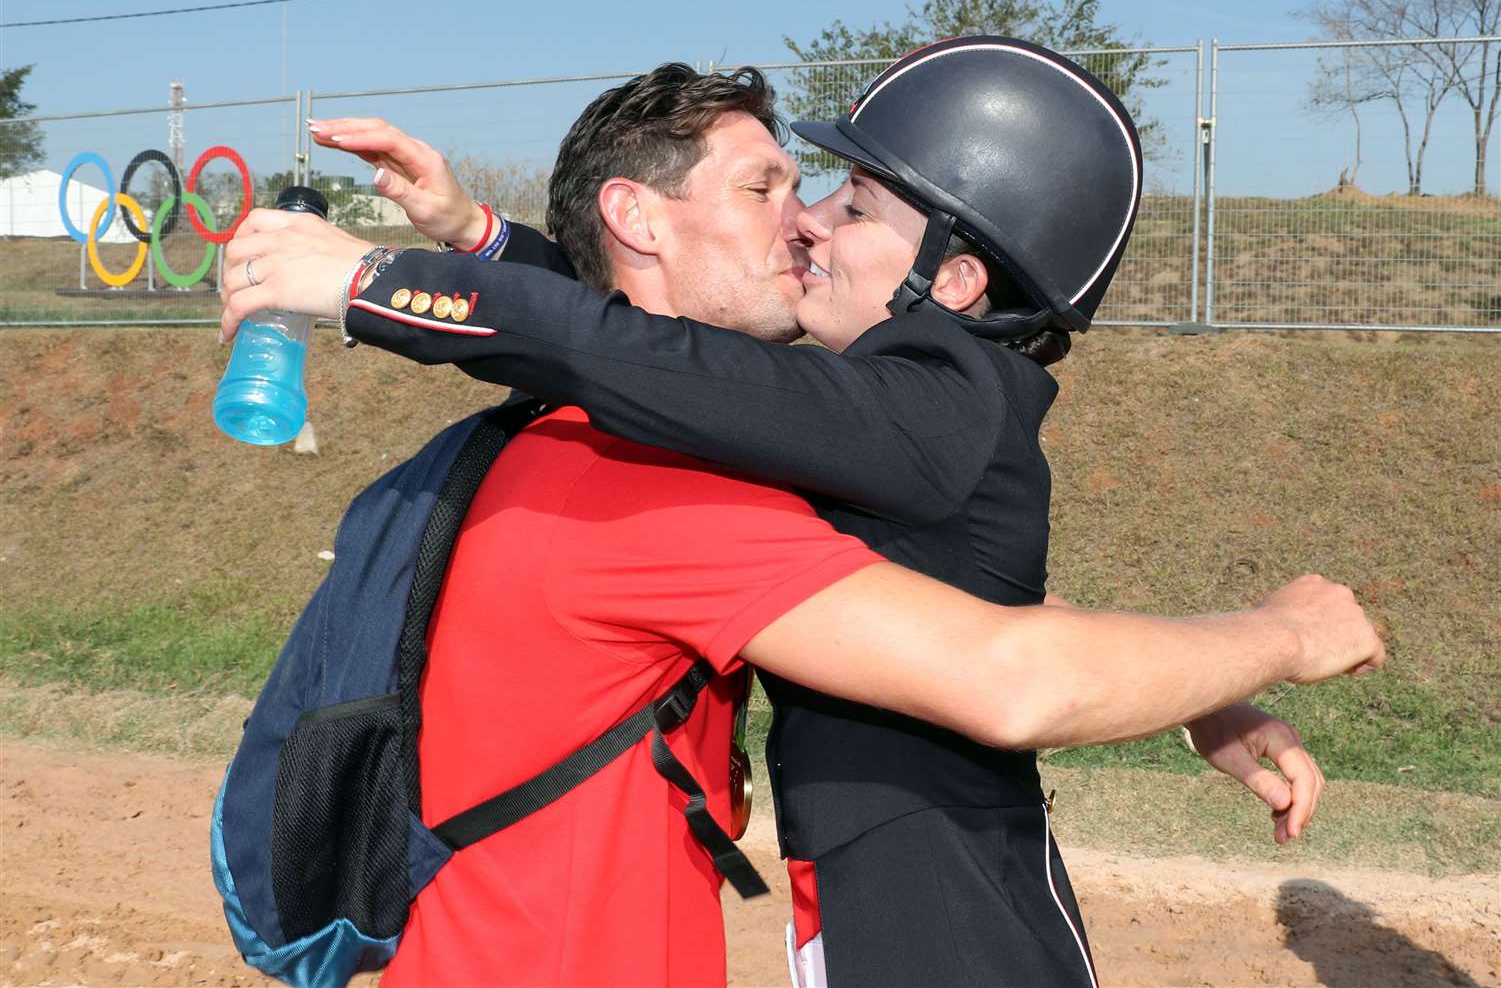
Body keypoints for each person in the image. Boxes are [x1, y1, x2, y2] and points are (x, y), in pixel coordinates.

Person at [219, 49, 1382, 988]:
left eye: (840, 199)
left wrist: (390, 276)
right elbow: (642, 352)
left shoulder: (895, 405)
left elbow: (633, 350)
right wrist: (460, 242)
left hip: (933, 927)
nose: (805, 224)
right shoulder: (697, 461)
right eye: (770, 189)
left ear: (958, 285)